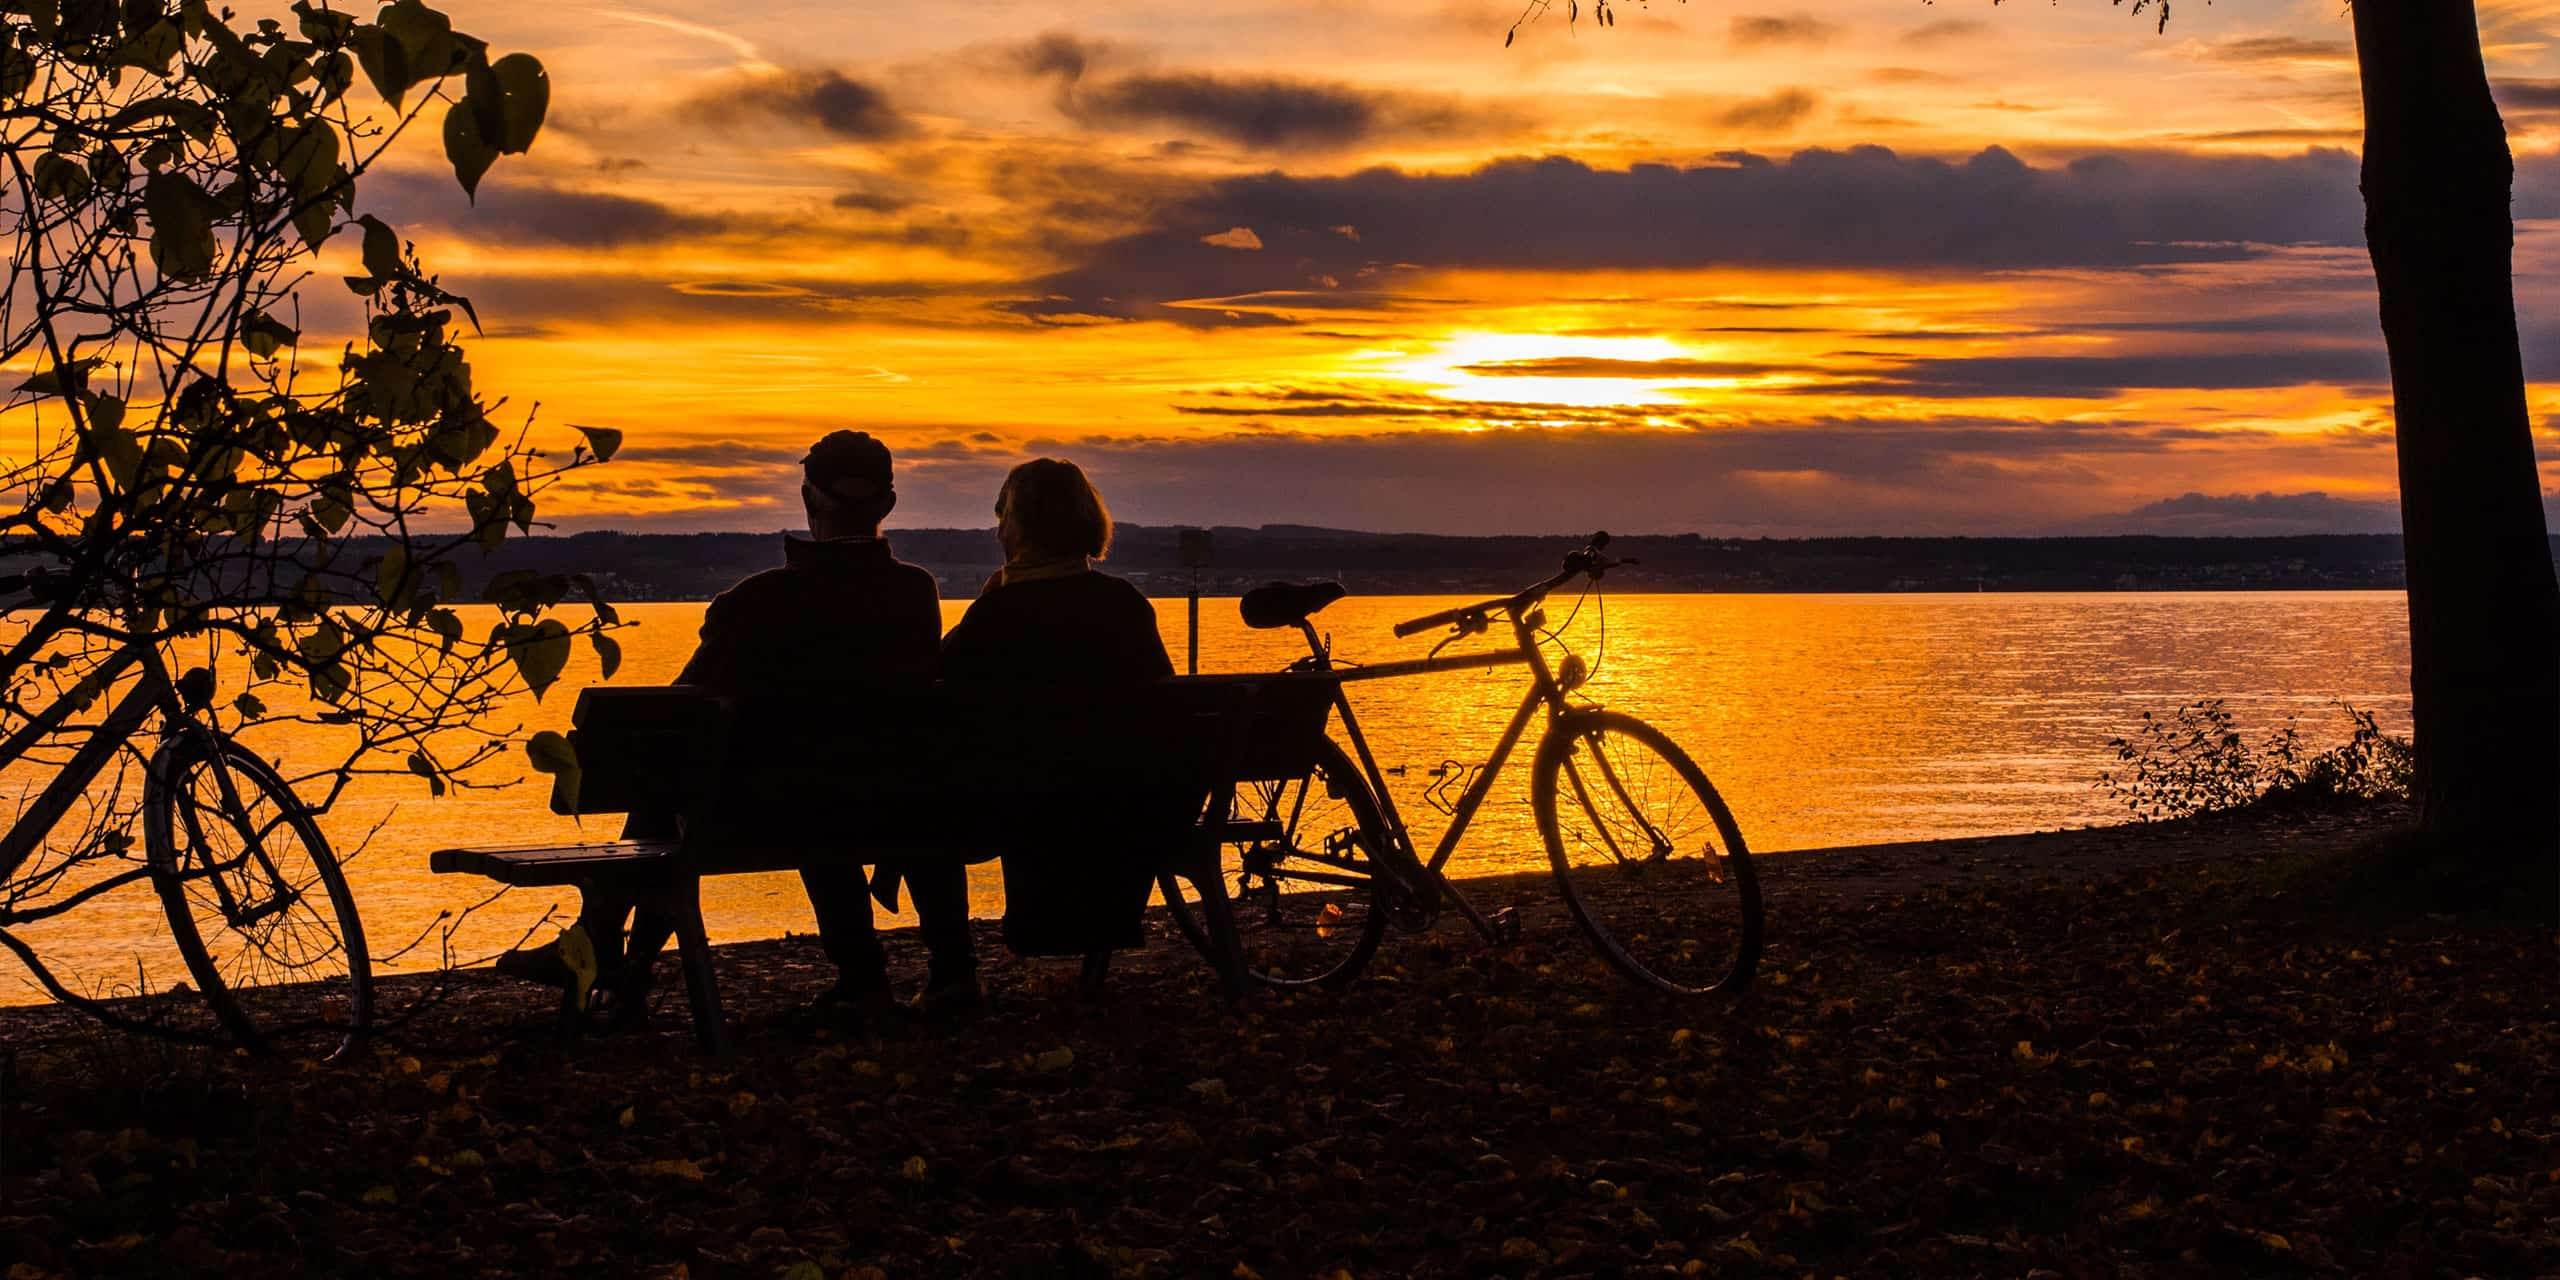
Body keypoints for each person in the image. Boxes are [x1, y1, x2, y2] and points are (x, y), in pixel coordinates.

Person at [499, 431, 975, 1026]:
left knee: (667, 788)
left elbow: (674, 714)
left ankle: (609, 961)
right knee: (738, 791)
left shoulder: (756, 601)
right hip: (891, 804)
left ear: (808, 498)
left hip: (769, 814)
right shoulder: (915, 592)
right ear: (888, 503)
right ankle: (866, 978)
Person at [939, 458, 1174, 958]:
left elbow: (943, 681)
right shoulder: (1125, 602)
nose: (998, 530)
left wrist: (982, 607)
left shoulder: (999, 612)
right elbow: (1165, 701)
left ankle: (951, 972)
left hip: (1029, 802)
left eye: (1002, 517)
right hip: (1130, 802)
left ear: (1019, 526)